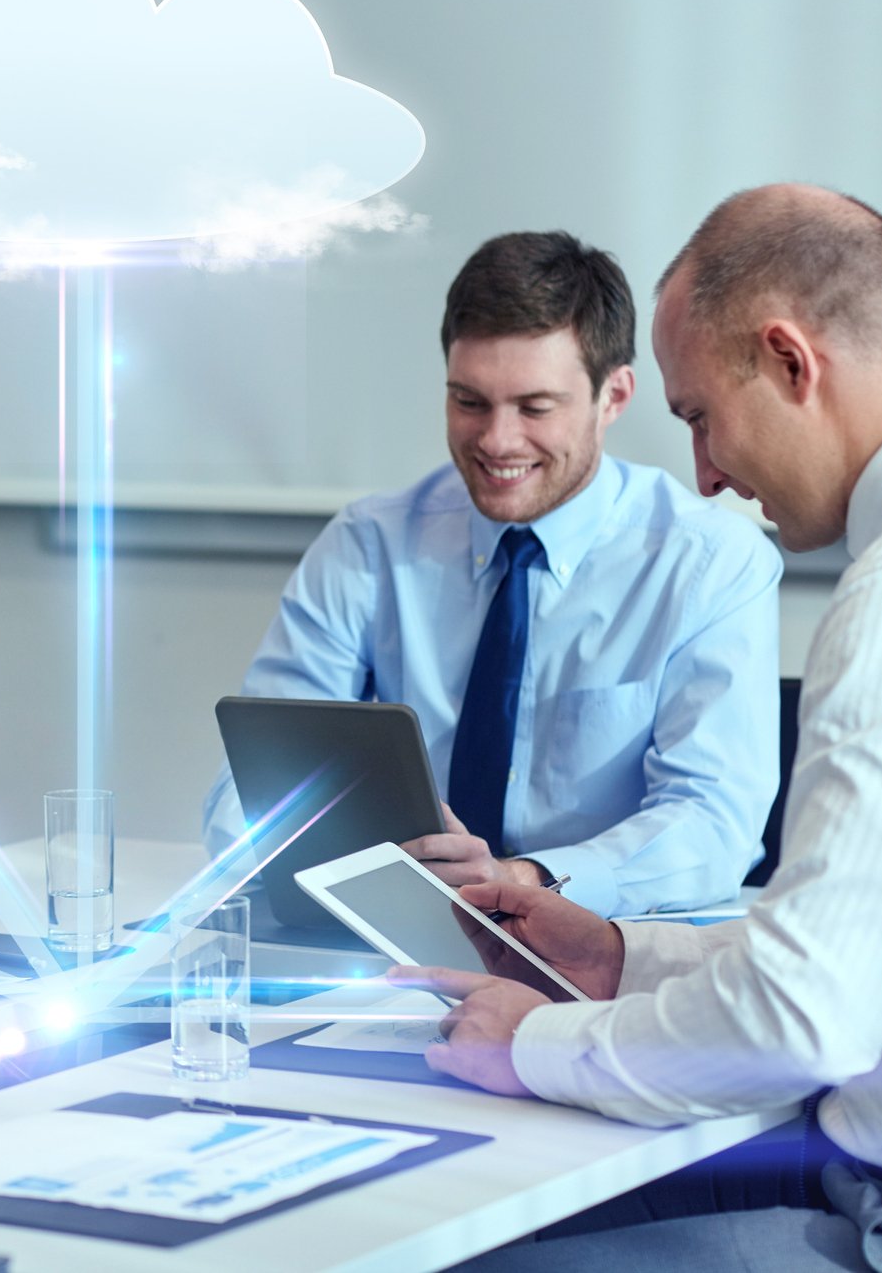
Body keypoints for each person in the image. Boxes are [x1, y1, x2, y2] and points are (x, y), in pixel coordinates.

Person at [402, 185, 882, 1270]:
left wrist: (539, 1040)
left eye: (700, 415)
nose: (704, 473)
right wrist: (620, 957)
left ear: (792, 362)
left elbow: (809, 1014)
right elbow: (877, 945)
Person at [203, 231, 781, 917]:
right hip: (396, 939)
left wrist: (522, 881)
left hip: (603, 951)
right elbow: (247, 791)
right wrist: (315, 867)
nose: (495, 441)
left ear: (613, 396)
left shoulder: (708, 562)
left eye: (534, 408)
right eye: (468, 401)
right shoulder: (367, 545)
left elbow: (713, 827)